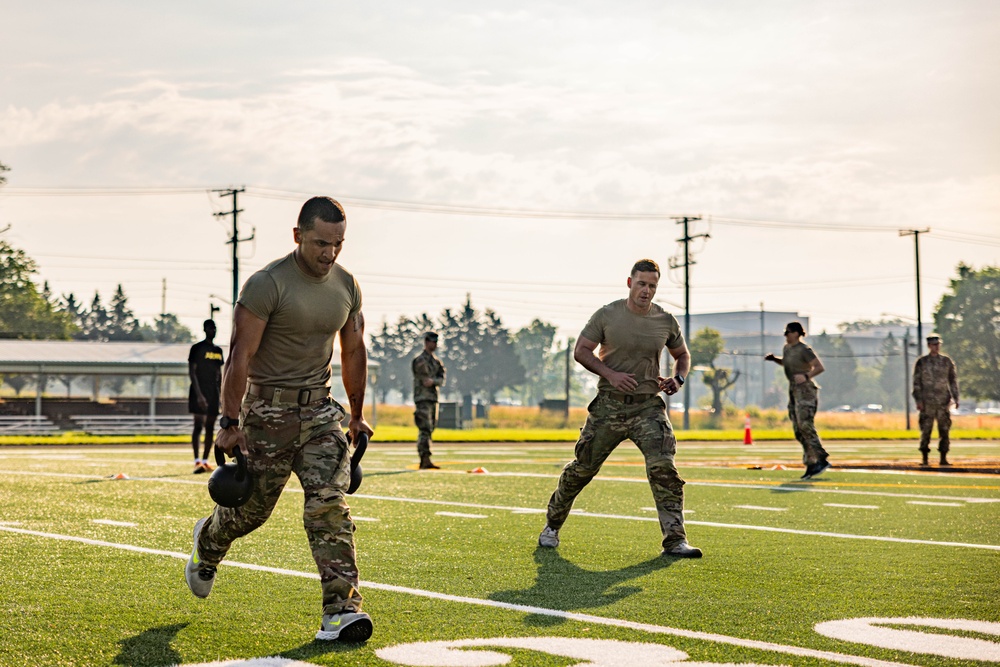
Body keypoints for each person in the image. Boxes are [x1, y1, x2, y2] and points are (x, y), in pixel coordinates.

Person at [184, 196, 375, 643]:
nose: (329, 253)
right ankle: (208, 542)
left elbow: (353, 351)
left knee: (328, 503)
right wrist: (229, 421)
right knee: (250, 513)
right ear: (298, 236)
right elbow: (239, 357)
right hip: (266, 412)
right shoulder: (266, 284)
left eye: (338, 244)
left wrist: (358, 415)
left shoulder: (347, 286)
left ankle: (341, 611)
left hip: (321, 412)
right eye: (320, 243)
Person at [537, 259, 701, 558]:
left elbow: (682, 355)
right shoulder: (607, 315)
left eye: (652, 286)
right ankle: (552, 525)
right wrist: (611, 374)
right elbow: (581, 351)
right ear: (630, 283)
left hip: (649, 407)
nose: (646, 291)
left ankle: (675, 540)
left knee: (663, 467)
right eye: (641, 284)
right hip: (609, 407)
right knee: (582, 469)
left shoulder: (665, 320)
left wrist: (678, 378)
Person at [765, 321, 830, 479]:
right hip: (793, 390)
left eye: (788, 332)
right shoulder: (787, 349)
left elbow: (819, 367)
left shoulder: (804, 349)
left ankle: (821, 458)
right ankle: (811, 462)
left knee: (805, 425)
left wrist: (806, 376)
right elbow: (788, 364)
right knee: (798, 430)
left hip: (805, 390)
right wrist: (775, 359)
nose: (785, 335)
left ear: (796, 333)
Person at [912, 334, 959, 466]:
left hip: (943, 402)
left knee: (944, 430)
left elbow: (952, 380)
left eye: (937, 344)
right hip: (927, 402)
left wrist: (956, 397)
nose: (936, 347)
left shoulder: (946, 361)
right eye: (933, 344)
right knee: (926, 430)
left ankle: (943, 457)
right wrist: (919, 400)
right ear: (928, 346)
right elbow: (916, 383)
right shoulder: (922, 362)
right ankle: (925, 457)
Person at [188, 319, 224, 474]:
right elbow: (192, 372)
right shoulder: (197, 348)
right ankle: (196, 460)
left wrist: (221, 395)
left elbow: (219, 373)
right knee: (198, 426)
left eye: (215, 328)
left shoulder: (218, 351)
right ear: (205, 330)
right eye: (210, 328)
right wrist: (199, 395)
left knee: (210, 427)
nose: (213, 331)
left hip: (213, 392)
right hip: (199, 391)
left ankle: (205, 461)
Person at [412, 331, 446, 469]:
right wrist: (434, 381)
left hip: (432, 398)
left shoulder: (436, 361)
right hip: (423, 398)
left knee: (431, 427)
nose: (435, 344)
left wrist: (434, 381)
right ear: (426, 342)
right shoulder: (420, 360)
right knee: (424, 428)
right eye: (432, 341)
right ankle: (424, 458)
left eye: (436, 342)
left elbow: (441, 379)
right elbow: (425, 378)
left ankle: (426, 458)